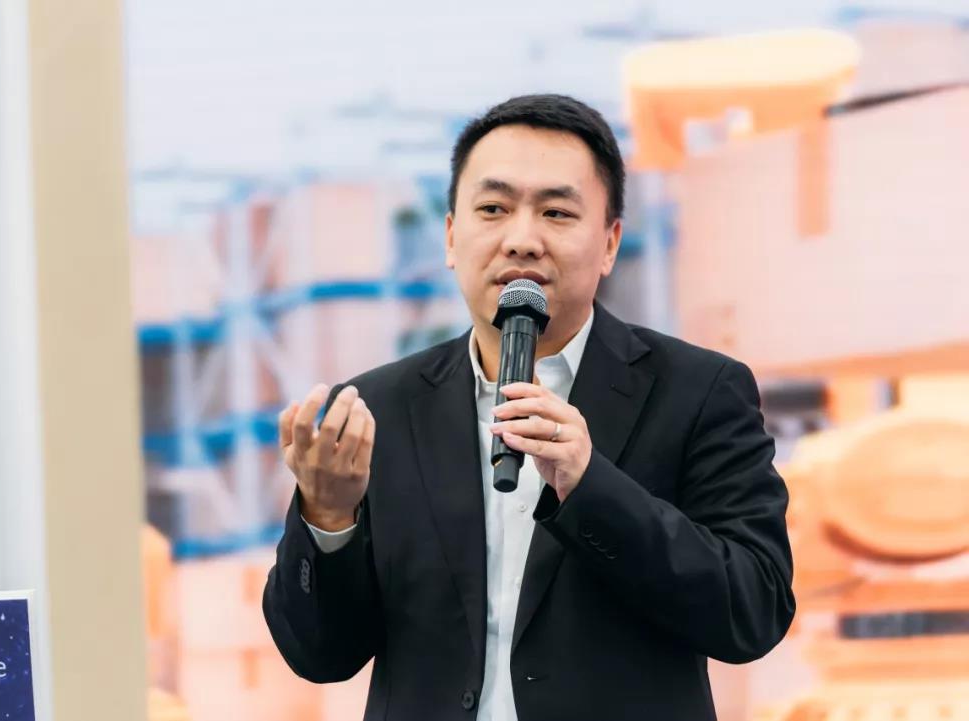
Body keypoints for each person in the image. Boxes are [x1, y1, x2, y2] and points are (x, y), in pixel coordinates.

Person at [263, 94, 795, 721]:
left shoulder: (698, 391)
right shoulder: (379, 408)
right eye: (493, 209)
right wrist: (329, 517)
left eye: (556, 212)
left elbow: (753, 610)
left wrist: (591, 486)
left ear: (609, 243)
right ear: (452, 236)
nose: (522, 240)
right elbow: (319, 654)